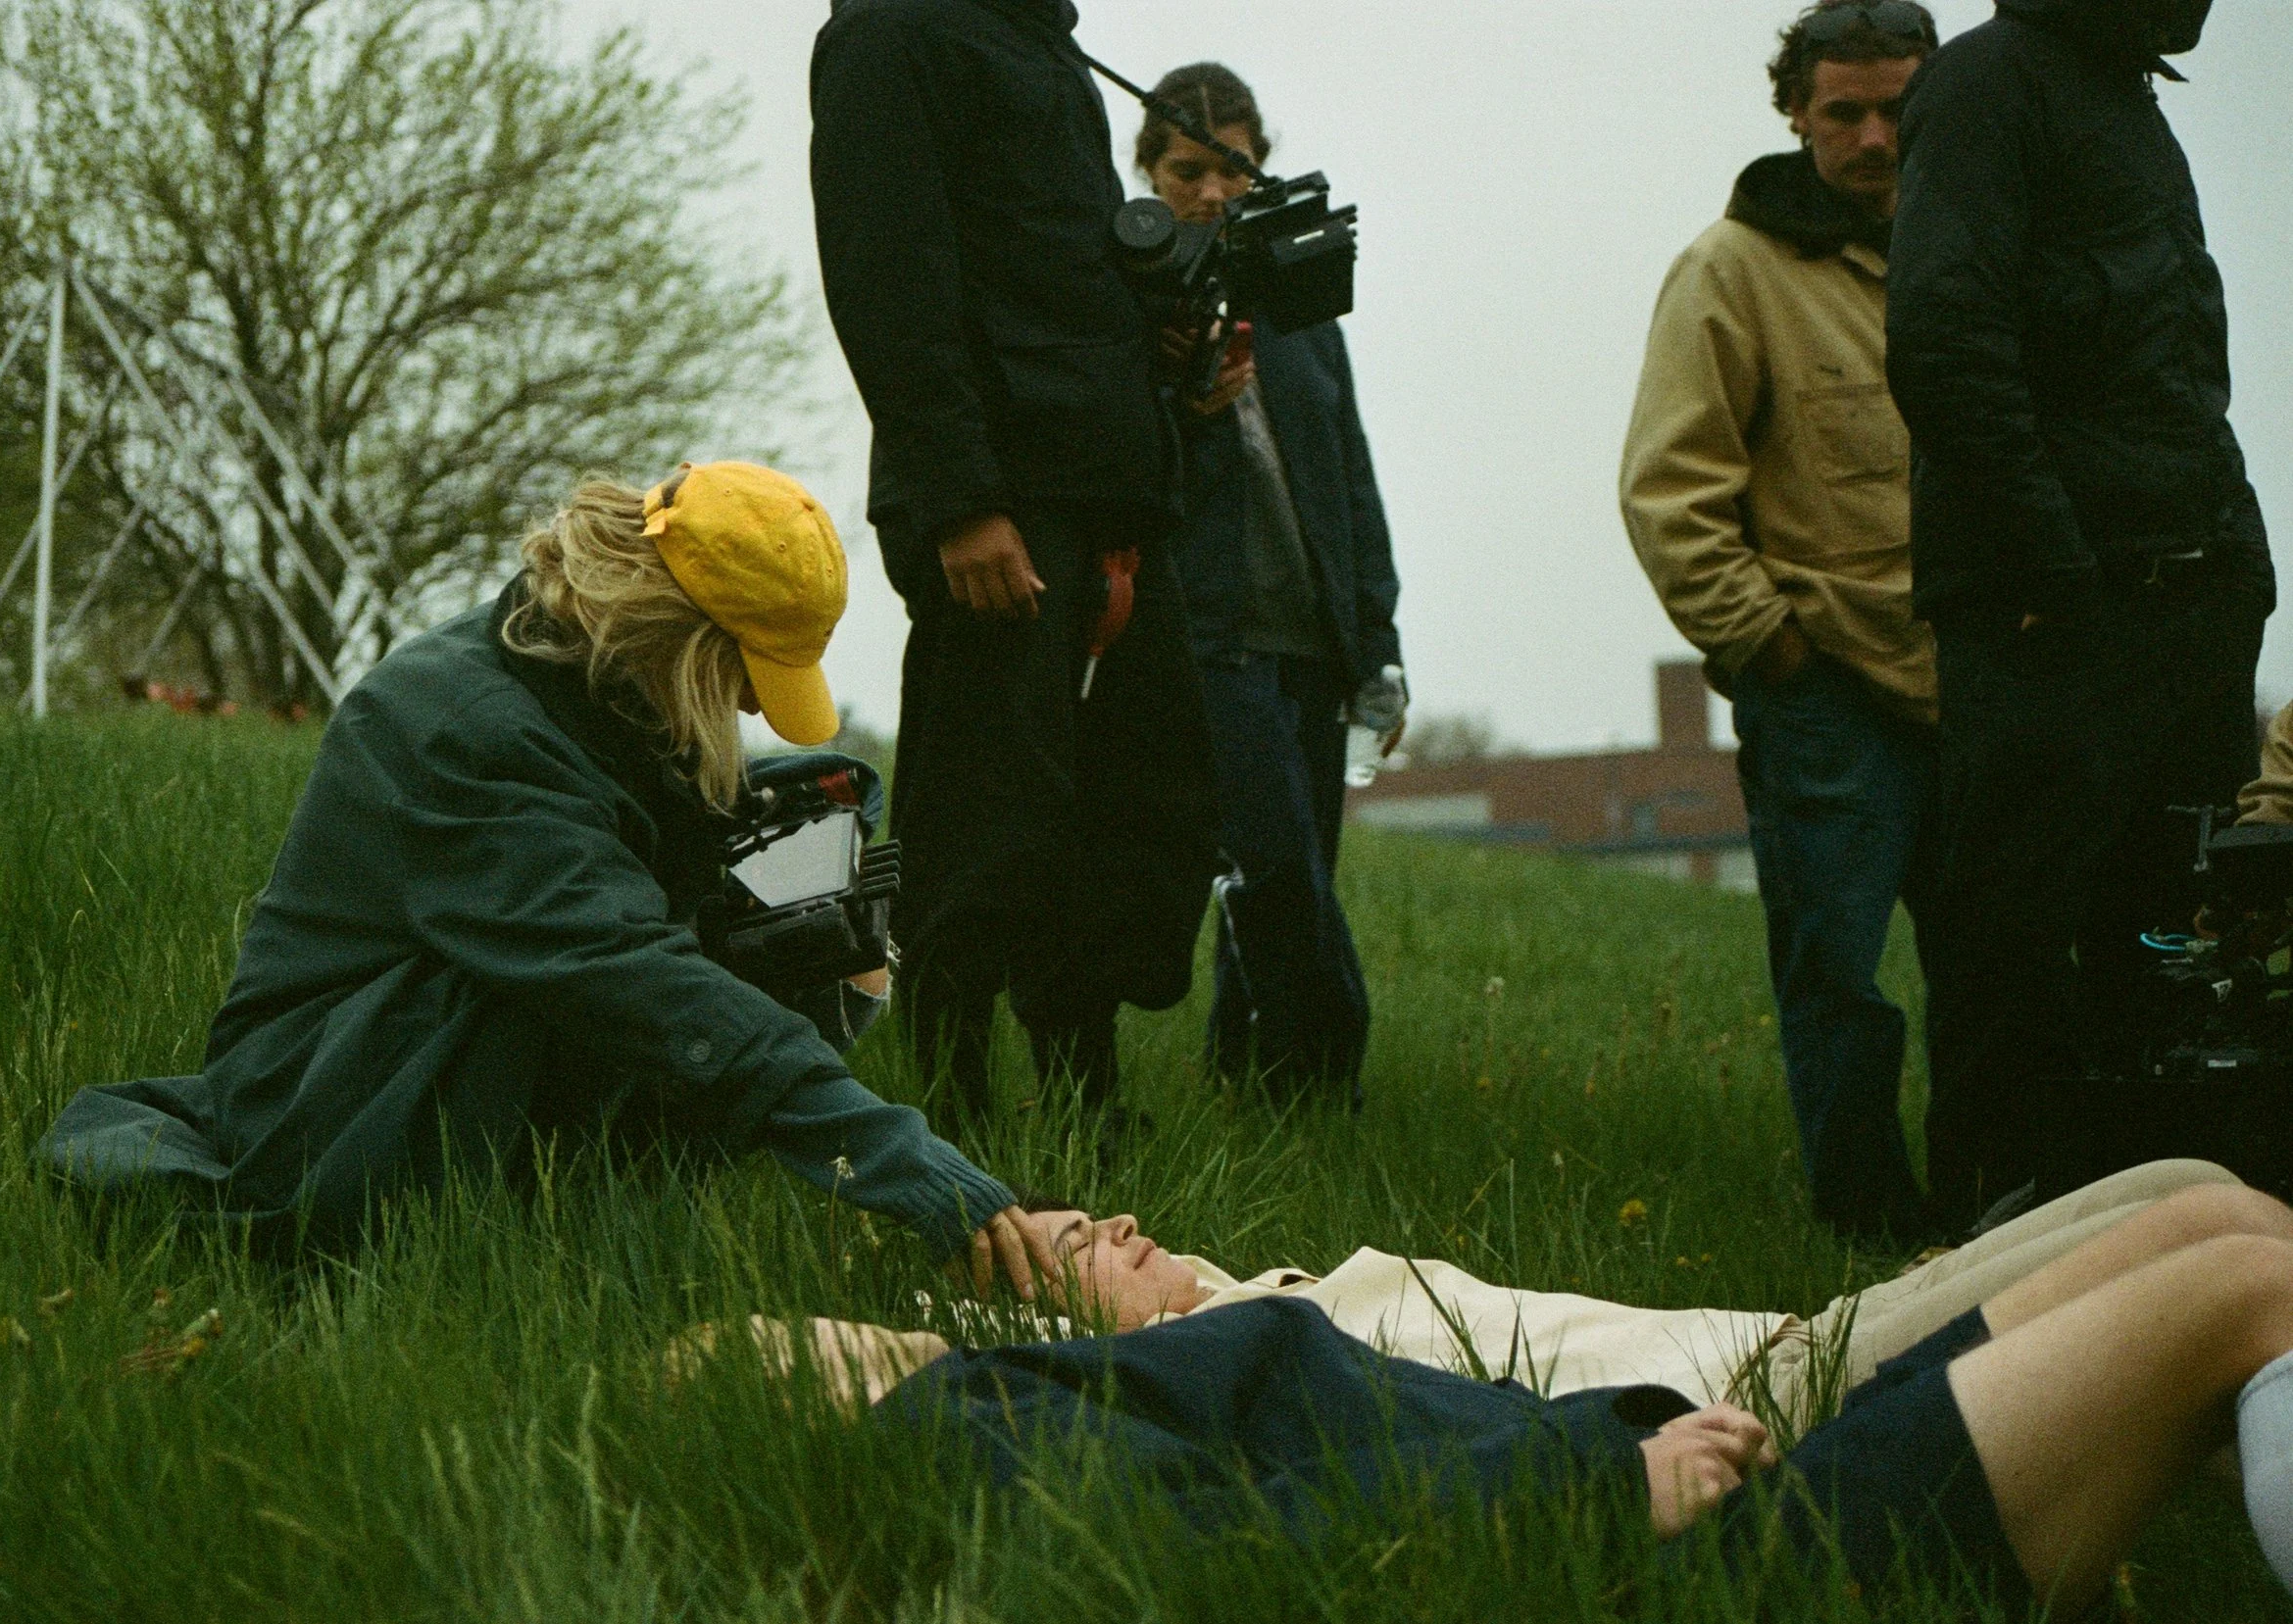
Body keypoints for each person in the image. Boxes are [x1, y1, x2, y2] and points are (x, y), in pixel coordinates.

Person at [36, 465, 1060, 1300]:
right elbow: (631, 973)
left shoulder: (591, 681)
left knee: (808, 872)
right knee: (651, 994)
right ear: (676, 636)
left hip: (437, 1047)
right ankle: (499, 1245)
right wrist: (910, 1169)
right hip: (327, 1106)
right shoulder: (467, 731)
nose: (752, 709)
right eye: (745, 677)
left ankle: (587, 1212)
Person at [690, 1176, 2293, 1614]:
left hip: (1698, 1479)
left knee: (2216, 1232)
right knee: (2239, 1284)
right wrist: (1602, 1484)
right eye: (783, 1341)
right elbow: (1255, 1558)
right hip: (1716, 1564)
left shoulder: (1034, 1397)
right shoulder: (965, 1434)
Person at [1886, 0, 2273, 1225]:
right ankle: (1991, 1260)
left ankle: (2166, 1245)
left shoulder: (2124, 99)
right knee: (2016, 956)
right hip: (2056, 619)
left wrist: (2238, 562)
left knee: (2176, 951)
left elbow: (2174, 370)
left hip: (2183, 599)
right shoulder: (1988, 87)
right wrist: (2054, 576)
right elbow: (1944, 341)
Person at [810, 0, 1221, 1129]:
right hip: (999, 501)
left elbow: (1049, 268)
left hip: (1107, 491)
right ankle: (951, 1124)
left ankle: (1087, 1105)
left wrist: (1159, 335)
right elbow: (885, 275)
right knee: (982, 824)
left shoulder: (1040, 38)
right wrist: (961, 503)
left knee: (1129, 815)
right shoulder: (890, 32)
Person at [694, 1158, 2243, 1432]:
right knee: (2214, 1235)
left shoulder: (1251, 1291)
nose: (1133, 1225)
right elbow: (899, 1352)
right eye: (1090, 1237)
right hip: (1784, 1397)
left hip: (1813, 1324)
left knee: (2198, 1185)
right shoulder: (1223, 1360)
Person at [1620, 0, 1943, 1241]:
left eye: (1897, 111)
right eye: (1842, 112)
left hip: (1983, 683)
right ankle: (1868, 1235)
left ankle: (2003, 1214)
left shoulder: (1977, 248)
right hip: (1829, 697)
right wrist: (1774, 648)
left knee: (2001, 974)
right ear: (1795, 115)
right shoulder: (1730, 271)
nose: (1872, 139)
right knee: (1838, 978)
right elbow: (1668, 491)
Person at [1135, 64, 1405, 1105]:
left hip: (1314, 643)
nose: (1212, 192)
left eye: (1234, 169)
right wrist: (1180, 394)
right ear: (1148, 176)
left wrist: (1377, 642)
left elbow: (1351, 477)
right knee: (1276, 869)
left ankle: (1246, 1084)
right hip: (1212, 640)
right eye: (1187, 171)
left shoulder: (1300, 308)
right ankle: (1327, 1081)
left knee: (1291, 874)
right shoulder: (1132, 312)